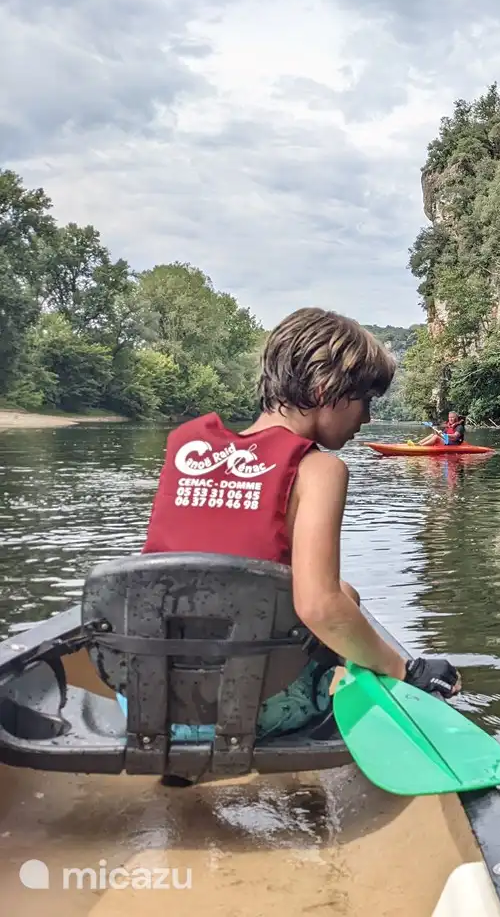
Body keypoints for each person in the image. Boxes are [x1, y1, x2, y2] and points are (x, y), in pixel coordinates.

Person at [137, 307, 461, 774]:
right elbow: (319, 606)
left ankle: (181, 772)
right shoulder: (320, 470)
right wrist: (405, 671)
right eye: (366, 400)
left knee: (343, 594)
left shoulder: (187, 449)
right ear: (326, 392)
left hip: (150, 704)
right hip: (246, 712)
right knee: (342, 624)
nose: (368, 418)